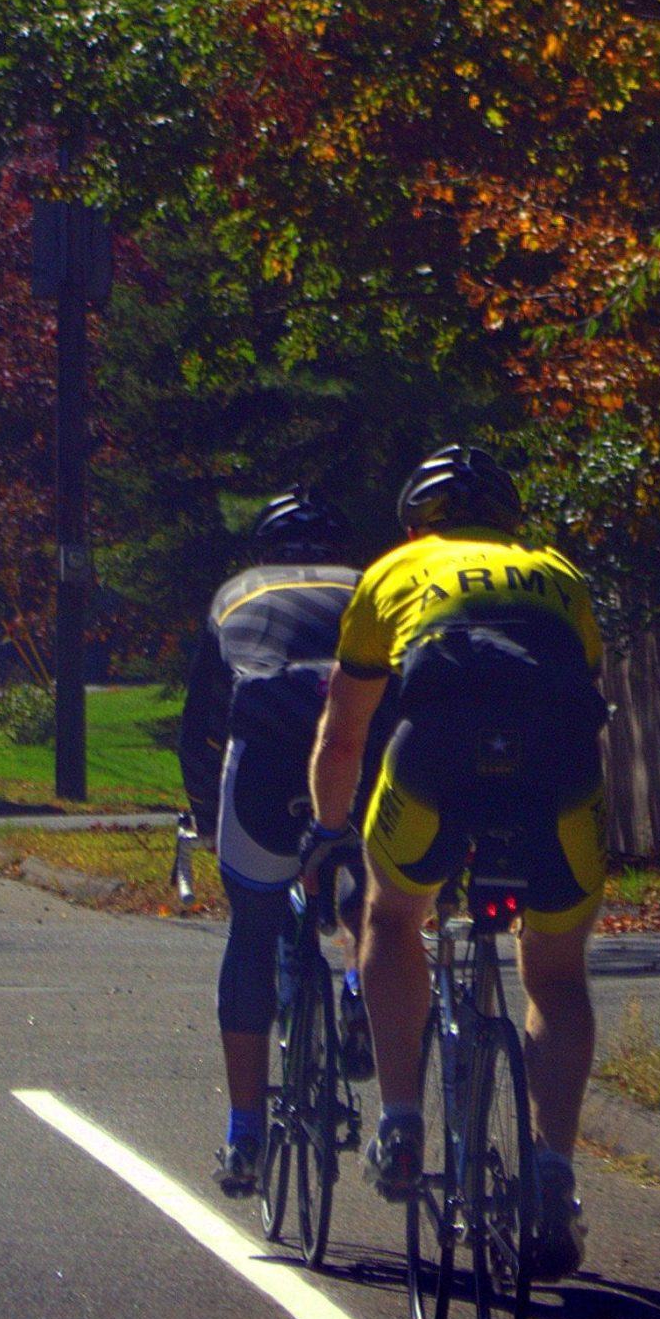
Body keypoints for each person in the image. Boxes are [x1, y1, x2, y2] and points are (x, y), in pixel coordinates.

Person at [303, 445, 609, 1279]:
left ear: (415, 524)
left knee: (394, 916)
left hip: (435, 760)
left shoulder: (395, 571)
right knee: (555, 974)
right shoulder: (559, 573)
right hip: (558, 771)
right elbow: (585, 698)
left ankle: (401, 1122)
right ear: (509, 522)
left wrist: (332, 830)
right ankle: (552, 1173)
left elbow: (345, 732)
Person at [177, 488, 371, 1196]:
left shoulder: (236, 593)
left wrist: (205, 812)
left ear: (266, 551)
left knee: (252, 932)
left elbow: (200, 722)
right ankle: (358, 989)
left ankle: (244, 1136)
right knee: (371, 902)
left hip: (263, 750)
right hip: (358, 745)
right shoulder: (369, 586)